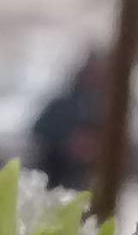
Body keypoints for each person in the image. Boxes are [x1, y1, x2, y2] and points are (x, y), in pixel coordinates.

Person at [29, 48, 108, 192]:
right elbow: (39, 130)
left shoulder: (106, 106)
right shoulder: (62, 104)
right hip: (58, 175)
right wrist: (67, 142)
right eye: (92, 72)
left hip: (90, 177)